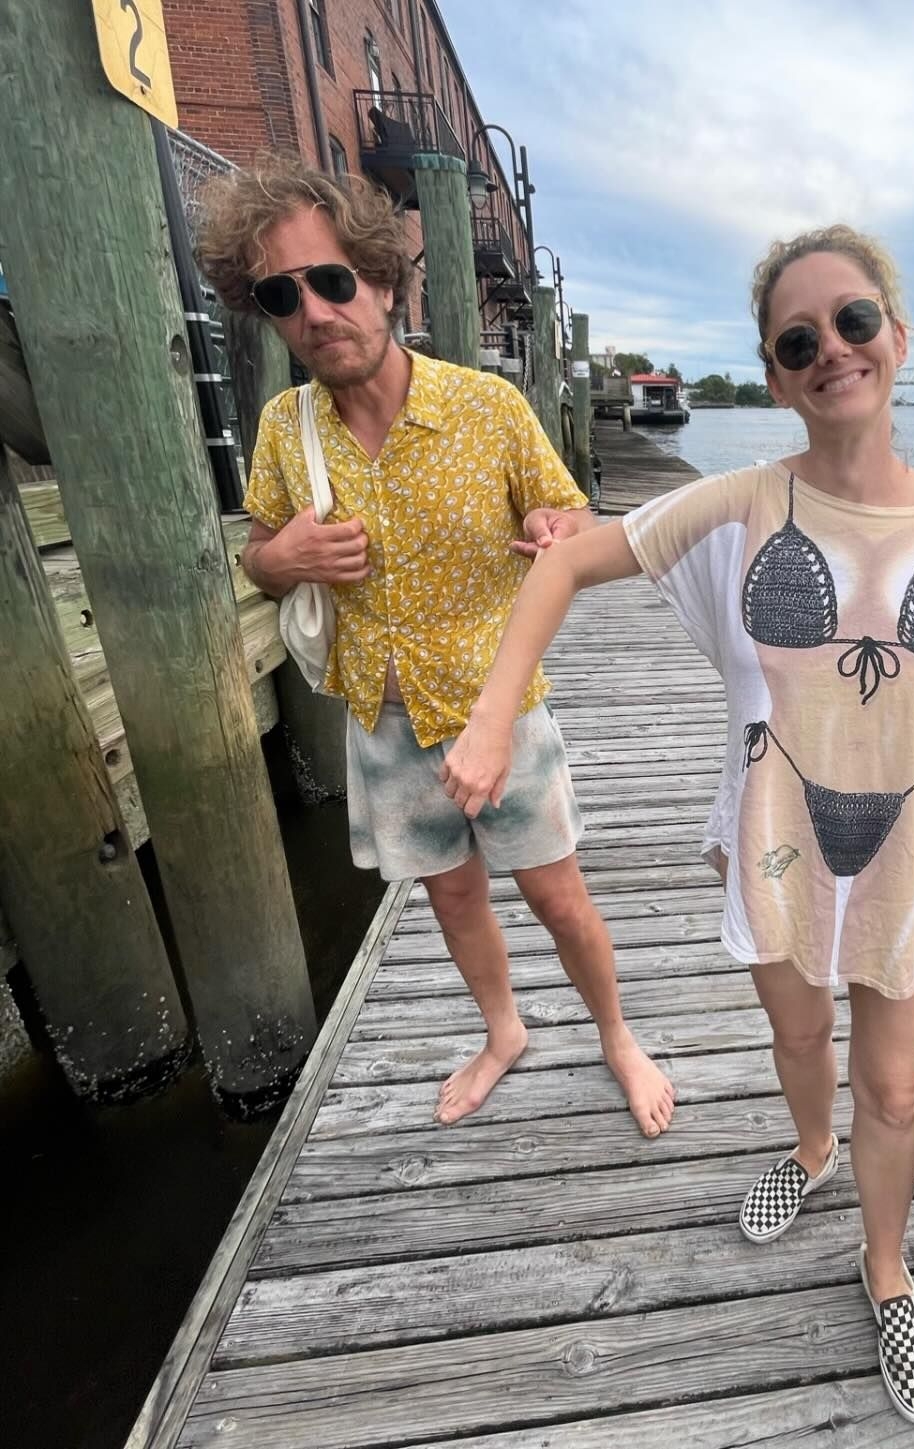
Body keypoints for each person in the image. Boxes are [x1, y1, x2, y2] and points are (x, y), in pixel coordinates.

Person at [440, 224, 914, 1424]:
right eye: (797, 340)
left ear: (897, 337)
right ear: (775, 376)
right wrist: (493, 717)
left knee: (894, 1090)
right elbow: (560, 568)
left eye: (853, 321)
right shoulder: (732, 510)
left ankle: (886, 1269)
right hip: (779, 848)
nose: (832, 350)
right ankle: (810, 1150)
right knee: (798, 1036)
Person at [194, 158, 674, 1136]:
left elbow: (574, 520)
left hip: (502, 711)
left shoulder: (487, 408)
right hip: (381, 720)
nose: (314, 311)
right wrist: (282, 557)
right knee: (453, 901)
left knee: (559, 899)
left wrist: (555, 529)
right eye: (282, 295)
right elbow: (259, 557)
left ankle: (618, 1035)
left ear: (382, 281)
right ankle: (504, 1032)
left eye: (332, 281)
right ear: (265, 312)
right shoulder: (286, 428)